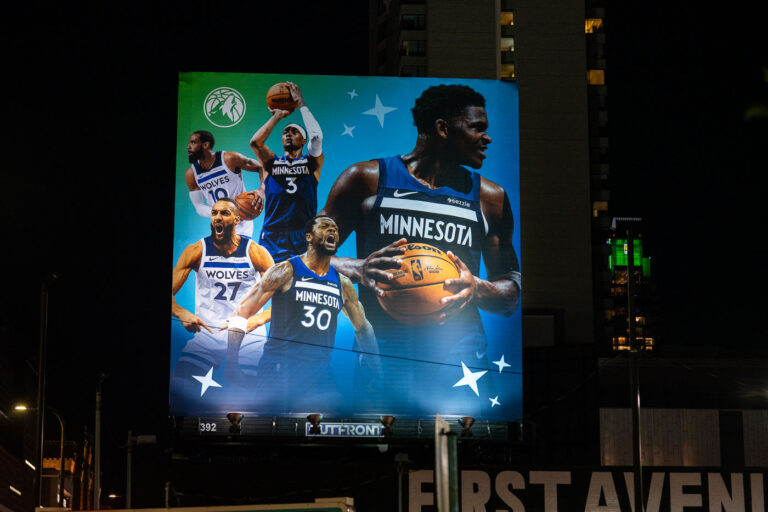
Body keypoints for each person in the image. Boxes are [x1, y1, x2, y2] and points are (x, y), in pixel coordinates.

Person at [319, 84, 521, 416]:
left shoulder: (490, 197)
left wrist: (478, 287)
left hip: (460, 360)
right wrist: (357, 268)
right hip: (382, 354)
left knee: (463, 457)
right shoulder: (366, 179)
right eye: (477, 128)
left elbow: (511, 293)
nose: (487, 138)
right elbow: (300, 259)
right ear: (442, 129)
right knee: (379, 456)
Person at [226, 215, 379, 413]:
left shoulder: (342, 284)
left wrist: (377, 373)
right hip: (279, 368)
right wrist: (231, 363)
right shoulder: (286, 271)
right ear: (309, 237)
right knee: (271, 432)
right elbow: (241, 312)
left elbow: (364, 329)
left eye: (335, 229)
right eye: (325, 226)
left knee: (330, 423)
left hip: (319, 370)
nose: (332, 230)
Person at [171, 198, 274, 406]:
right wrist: (181, 313)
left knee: (245, 399)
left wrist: (256, 321)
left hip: (248, 335)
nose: (218, 217)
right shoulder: (196, 251)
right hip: (210, 332)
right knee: (179, 388)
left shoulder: (255, 252)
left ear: (237, 220)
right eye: (214, 213)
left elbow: (285, 297)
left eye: (224, 213)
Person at [249, 82, 324, 262]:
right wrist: (277, 116)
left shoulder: (311, 162)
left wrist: (301, 104)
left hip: (302, 235)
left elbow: (316, 136)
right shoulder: (272, 162)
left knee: (300, 287)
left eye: (294, 131)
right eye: (285, 132)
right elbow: (255, 143)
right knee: (269, 287)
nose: (288, 134)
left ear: (303, 139)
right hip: (273, 235)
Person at [185, 130, 264, 237]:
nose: (188, 147)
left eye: (193, 143)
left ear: (205, 145)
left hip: (241, 226)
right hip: (219, 228)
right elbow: (198, 206)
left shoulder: (229, 159)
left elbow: (261, 167)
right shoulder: (191, 174)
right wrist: (221, 212)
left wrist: (261, 190)